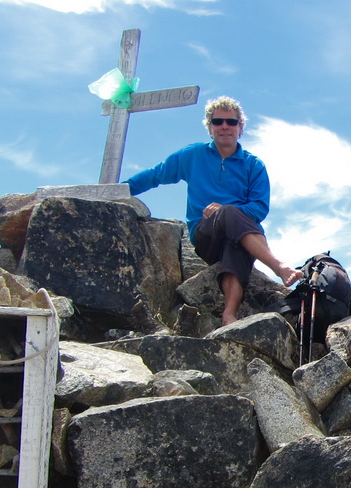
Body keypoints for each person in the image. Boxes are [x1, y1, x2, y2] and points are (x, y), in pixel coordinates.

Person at [123, 96, 301, 326]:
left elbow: (259, 208)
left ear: (240, 128)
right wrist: (120, 190)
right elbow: (155, 175)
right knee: (227, 214)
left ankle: (229, 314)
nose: (224, 126)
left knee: (235, 250)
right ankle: (280, 266)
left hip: (241, 235)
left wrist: (228, 209)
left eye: (231, 122)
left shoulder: (253, 165)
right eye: (218, 122)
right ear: (210, 127)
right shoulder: (192, 155)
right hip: (205, 233)